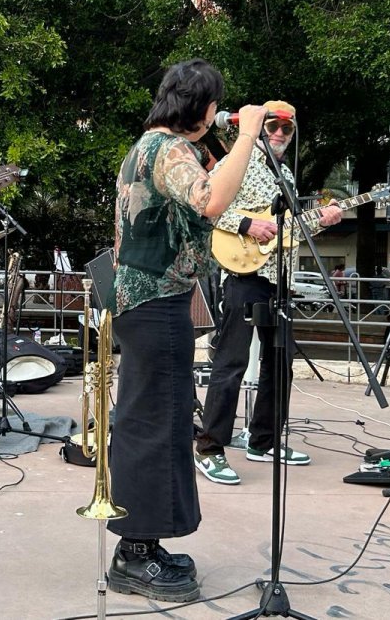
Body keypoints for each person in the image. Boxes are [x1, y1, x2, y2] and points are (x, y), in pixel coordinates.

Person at [107, 58, 259, 603]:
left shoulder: (156, 147)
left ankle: (143, 542)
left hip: (147, 301)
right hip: (154, 302)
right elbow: (209, 198)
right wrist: (249, 133)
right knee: (157, 422)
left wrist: (232, 154)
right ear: (204, 107)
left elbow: (210, 202)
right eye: (215, 106)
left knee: (158, 419)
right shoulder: (167, 148)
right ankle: (135, 554)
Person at [193, 100, 343, 486]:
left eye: (286, 129)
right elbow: (205, 205)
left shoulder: (286, 175)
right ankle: (209, 448)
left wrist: (323, 221)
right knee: (231, 361)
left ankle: (264, 440)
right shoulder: (236, 161)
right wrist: (246, 224)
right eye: (272, 126)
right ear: (259, 127)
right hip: (243, 274)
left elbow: (289, 230)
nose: (278, 133)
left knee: (280, 363)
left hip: (280, 279)